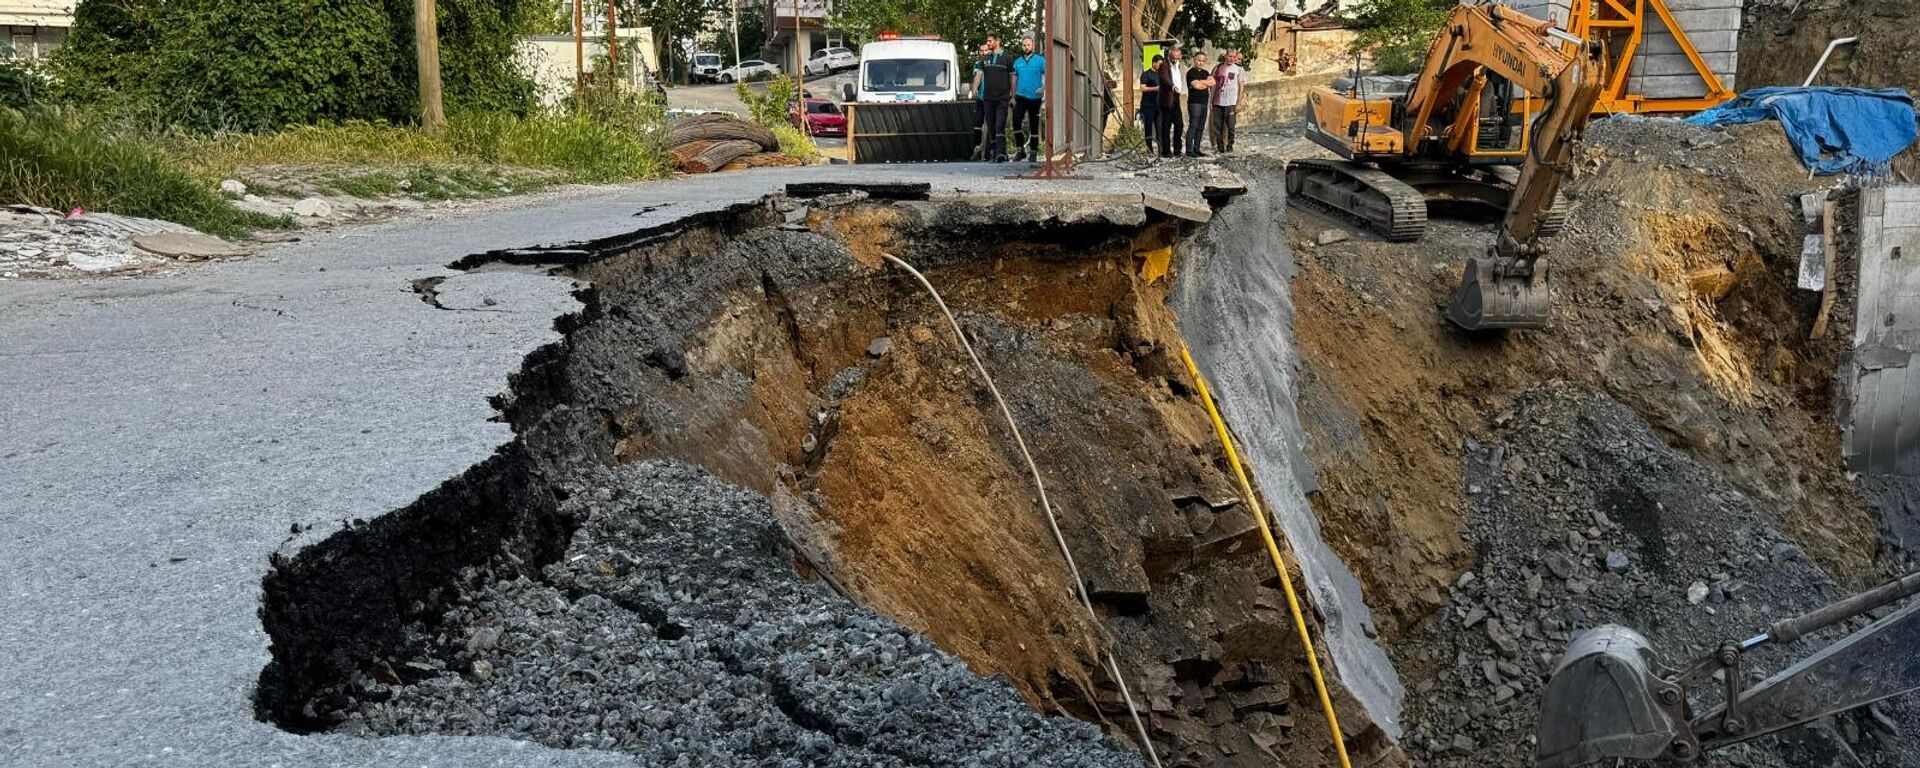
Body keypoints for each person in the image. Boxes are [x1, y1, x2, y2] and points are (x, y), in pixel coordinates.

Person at [972, 35, 1015, 162]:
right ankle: (994, 151)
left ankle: (1000, 153)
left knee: (999, 125)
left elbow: (1013, 77)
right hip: (988, 98)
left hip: (1002, 98)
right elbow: (978, 75)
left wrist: (1013, 95)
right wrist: (974, 89)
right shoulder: (984, 59)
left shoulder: (1007, 58)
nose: (988, 43)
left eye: (990, 41)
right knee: (991, 125)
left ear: (997, 41)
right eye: (987, 41)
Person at [1011, 35, 1046, 162]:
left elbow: (1048, 74)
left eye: (1028, 45)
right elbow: (1014, 79)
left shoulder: (1040, 60)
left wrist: (1043, 89)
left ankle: (1033, 152)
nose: (1026, 47)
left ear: (1033, 45)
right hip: (1020, 96)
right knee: (1016, 122)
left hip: (1035, 97)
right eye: (1024, 45)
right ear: (1022, 46)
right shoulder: (1017, 62)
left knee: (1034, 125)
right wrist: (1012, 96)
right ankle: (1020, 150)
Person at [1210, 50, 1246, 153]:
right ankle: (1220, 146)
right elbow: (1213, 85)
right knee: (1217, 126)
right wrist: (1210, 101)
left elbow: (1241, 87)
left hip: (1231, 102)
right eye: (1230, 56)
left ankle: (1230, 145)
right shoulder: (1218, 68)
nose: (1232, 59)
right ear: (1225, 56)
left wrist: (1238, 102)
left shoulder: (1239, 69)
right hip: (1218, 101)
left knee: (1231, 126)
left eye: (1234, 57)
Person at [1184, 52, 1216, 157]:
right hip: (1194, 103)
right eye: (1199, 60)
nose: (1200, 63)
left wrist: (1201, 82)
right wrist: (1205, 83)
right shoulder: (1190, 73)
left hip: (1204, 103)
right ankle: (1189, 150)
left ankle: (1197, 149)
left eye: (1203, 61)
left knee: (1200, 127)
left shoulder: (1206, 72)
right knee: (1193, 125)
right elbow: (1196, 86)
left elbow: (1213, 83)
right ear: (1194, 60)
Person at [1157, 46, 1185, 158]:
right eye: (1173, 57)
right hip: (1167, 99)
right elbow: (1165, 79)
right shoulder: (1164, 65)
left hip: (1176, 98)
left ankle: (1177, 150)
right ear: (1169, 55)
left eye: (1177, 57)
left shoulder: (1178, 65)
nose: (1175, 59)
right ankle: (1166, 151)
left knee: (1179, 125)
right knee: (1166, 126)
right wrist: (1172, 86)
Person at [1138, 54, 1163, 156]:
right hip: (1148, 105)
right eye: (1159, 64)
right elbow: (1142, 88)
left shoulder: (1162, 74)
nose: (1161, 66)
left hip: (1159, 106)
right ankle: (1149, 150)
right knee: (1148, 129)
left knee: (1160, 129)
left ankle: (1161, 150)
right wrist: (1156, 88)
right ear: (1154, 63)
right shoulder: (1146, 74)